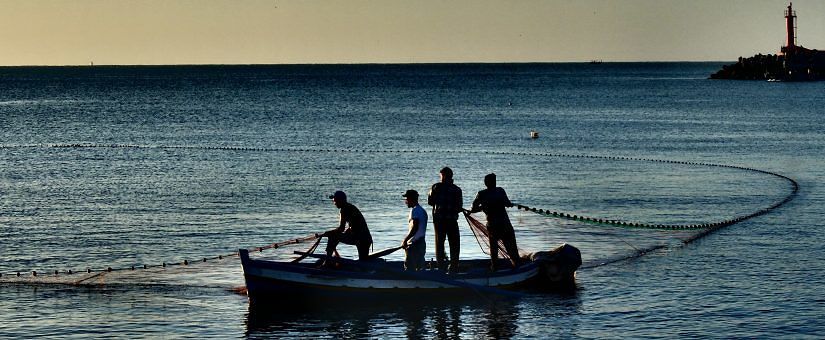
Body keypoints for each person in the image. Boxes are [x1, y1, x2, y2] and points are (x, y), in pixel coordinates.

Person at [469, 173, 519, 271]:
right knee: (511, 246)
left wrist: (482, 207)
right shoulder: (500, 191)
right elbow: (507, 203)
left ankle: (494, 267)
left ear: (485, 183)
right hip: (504, 224)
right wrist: (509, 204)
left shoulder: (481, 194)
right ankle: (516, 265)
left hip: (492, 225)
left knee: (494, 248)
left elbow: (473, 209)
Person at [427, 166, 462, 273]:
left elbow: (430, 202)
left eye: (441, 176)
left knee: (439, 243)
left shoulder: (435, 187)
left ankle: (441, 267)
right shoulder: (457, 189)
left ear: (443, 176)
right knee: (454, 244)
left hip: (439, 221)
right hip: (452, 221)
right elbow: (459, 207)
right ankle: (454, 267)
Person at [323, 191, 373, 265]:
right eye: (334, 201)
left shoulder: (344, 210)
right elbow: (356, 224)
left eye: (335, 200)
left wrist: (329, 233)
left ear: (341, 200)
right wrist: (348, 230)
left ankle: (328, 261)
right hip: (366, 239)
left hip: (361, 240)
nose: (334, 203)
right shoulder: (350, 207)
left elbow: (341, 229)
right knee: (363, 261)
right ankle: (329, 261)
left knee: (333, 236)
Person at [400, 189, 428, 271]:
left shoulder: (414, 210)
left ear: (410, 199)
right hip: (421, 242)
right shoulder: (422, 211)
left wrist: (405, 240)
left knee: (409, 268)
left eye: (407, 199)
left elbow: (415, 228)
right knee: (420, 267)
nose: (406, 201)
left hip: (414, 244)